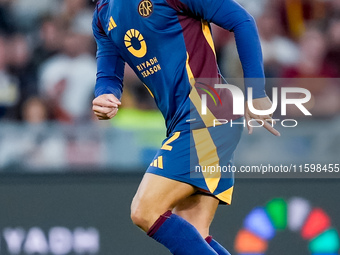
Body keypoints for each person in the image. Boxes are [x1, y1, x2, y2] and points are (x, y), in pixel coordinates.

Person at [92, 0, 279, 254]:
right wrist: (105, 95)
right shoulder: (103, 13)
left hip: (207, 115)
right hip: (189, 121)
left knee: (144, 210)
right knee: (194, 234)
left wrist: (256, 92)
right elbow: (109, 74)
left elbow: (242, 20)